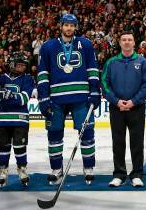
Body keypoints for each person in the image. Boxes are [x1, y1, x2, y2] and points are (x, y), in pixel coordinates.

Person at [37, 13, 101, 186]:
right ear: (61, 26)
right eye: (66, 25)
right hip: (56, 99)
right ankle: (56, 170)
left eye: (72, 25)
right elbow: (43, 74)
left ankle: (88, 168)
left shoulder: (85, 44)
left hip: (81, 97)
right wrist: (43, 98)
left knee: (87, 133)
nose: (69, 28)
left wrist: (94, 91)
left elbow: (93, 69)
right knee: (54, 135)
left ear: (76, 27)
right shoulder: (48, 47)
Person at [102, 31, 146, 187]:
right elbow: (104, 84)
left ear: (134, 42)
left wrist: (133, 101)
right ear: (119, 42)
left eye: (130, 39)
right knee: (118, 142)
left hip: (136, 108)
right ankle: (119, 174)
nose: (127, 42)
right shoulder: (111, 62)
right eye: (124, 39)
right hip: (116, 109)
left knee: (137, 142)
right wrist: (116, 102)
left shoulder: (142, 62)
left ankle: (137, 174)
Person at [0, 52, 35, 188]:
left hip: (20, 120)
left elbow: (23, 99)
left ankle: (22, 169)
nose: (21, 67)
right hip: (2, 120)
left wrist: (7, 95)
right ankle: (3, 170)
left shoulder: (28, 79)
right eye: (19, 64)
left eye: (23, 65)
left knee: (20, 146)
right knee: (3, 146)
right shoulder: (1, 78)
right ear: (11, 64)